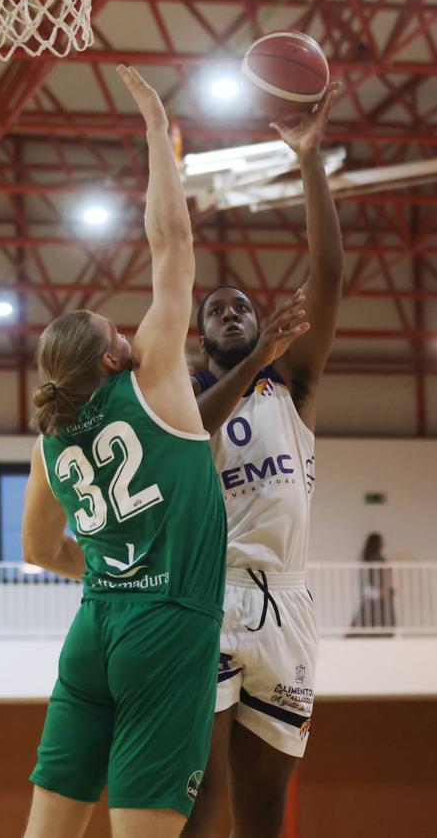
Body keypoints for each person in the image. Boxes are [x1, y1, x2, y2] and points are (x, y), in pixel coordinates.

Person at [20, 66, 227, 838]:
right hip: (164, 625)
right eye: (120, 329)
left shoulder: (48, 434)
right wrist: (153, 130)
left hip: (94, 627)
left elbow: (40, 548)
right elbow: (170, 241)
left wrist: (111, 570)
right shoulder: (158, 376)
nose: (134, 331)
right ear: (112, 356)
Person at [183, 85, 343, 838]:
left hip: (286, 601)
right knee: (197, 801)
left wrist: (308, 159)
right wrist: (252, 364)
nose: (231, 312)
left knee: (260, 812)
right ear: (200, 335)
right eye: (216, 308)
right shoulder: (182, 397)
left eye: (241, 305)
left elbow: (330, 276)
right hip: (208, 598)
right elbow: (198, 426)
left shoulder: (293, 384)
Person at [352, 532, 396, 635]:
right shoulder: (376, 560)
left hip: (376, 600)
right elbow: (369, 586)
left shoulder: (368, 559)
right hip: (375, 602)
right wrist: (382, 591)